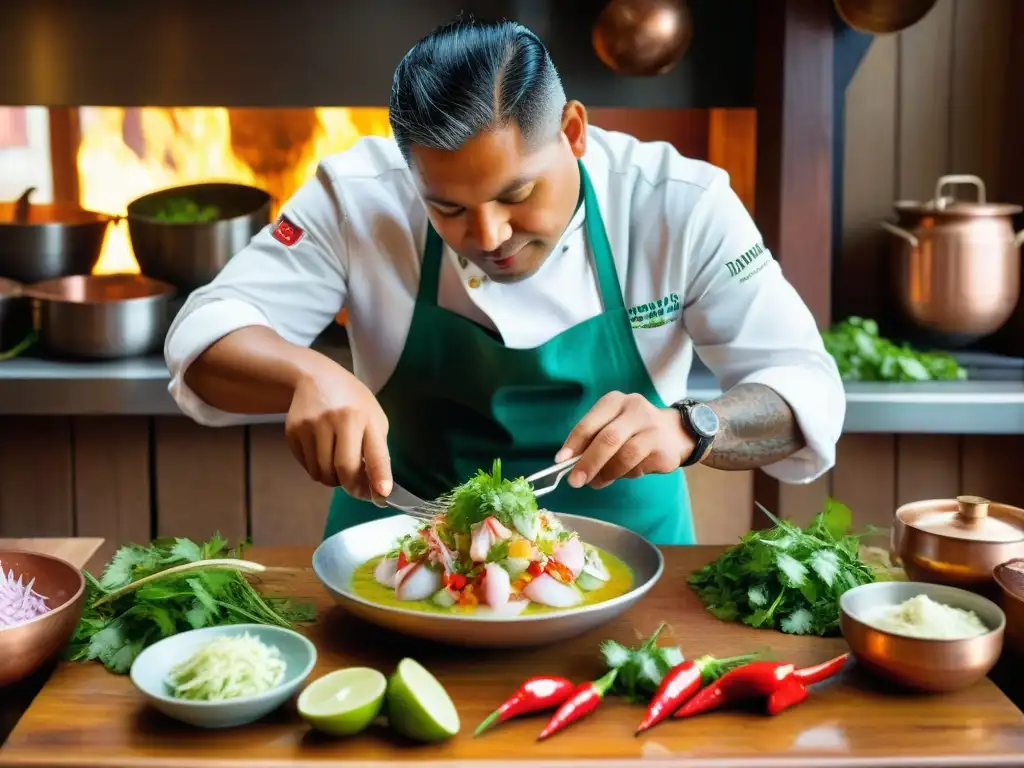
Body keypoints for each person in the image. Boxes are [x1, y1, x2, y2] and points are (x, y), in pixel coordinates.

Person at [163, 17, 845, 546]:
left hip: (630, 564)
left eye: (517, 193)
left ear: (574, 131)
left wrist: (695, 426)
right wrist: (304, 374)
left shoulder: (679, 203)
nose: (488, 236)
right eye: (448, 207)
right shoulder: (358, 196)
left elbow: (805, 388)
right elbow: (204, 334)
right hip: (401, 554)